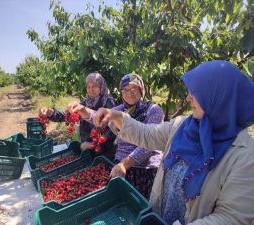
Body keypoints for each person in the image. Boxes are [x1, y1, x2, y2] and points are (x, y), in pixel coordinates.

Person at [93, 60, 254, 225]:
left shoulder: (245, 157)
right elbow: (146, 134)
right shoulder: (183, 126)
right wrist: (116, 116)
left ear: (220, 96)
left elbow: (231, 218)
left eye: (196, 93)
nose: (188, 98)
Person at [67, 73, 164, 199]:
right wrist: (82, 110)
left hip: (145, 170)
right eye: (125, 90)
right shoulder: (120, 110)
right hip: (121, 168)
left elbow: (149, 144)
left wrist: (125, 164)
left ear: (142, 89)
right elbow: (98, 115)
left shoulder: (154, 110)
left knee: (141, 205)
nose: (129, 93)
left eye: (134, 88)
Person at [39, 72, 116, 161]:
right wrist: (50, 112)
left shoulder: (109, 103)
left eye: (94, 86)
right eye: (88, 87)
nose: (91, 90)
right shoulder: (85, 102)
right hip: (88, 150)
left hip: (106, 153)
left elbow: (112, 130)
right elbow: (68, 115)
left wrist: (93, 144)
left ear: (101, 86)